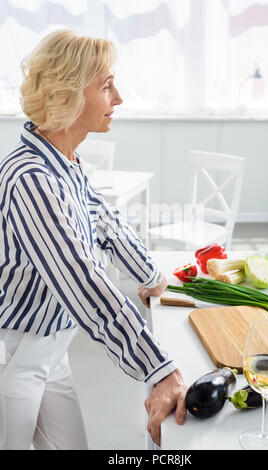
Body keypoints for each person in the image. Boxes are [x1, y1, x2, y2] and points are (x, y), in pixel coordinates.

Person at [0, 29, 187, 450]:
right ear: (67, 95)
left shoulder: (67, 164)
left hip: (50, 348)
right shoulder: (30, 179)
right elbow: (83, 283)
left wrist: (152, 276)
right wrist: (159, 369)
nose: (118, 98)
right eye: (106, 85)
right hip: (13, 355)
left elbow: (106, 223)